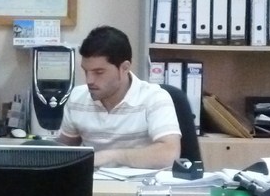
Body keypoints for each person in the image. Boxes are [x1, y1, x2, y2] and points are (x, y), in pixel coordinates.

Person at [56, 25, 181, 169]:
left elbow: (170, 154)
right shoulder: (77, 98)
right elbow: (63, 152)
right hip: (92, 182)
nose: (89, 80)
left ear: (124, 68)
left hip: (138, 182)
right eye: (86, 71)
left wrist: (112, 157)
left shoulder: (154, 98)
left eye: (99, 72)